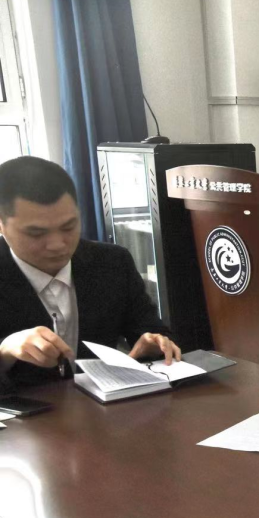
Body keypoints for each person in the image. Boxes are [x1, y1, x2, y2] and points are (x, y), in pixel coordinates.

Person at [0, 156, 180, 392]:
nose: (57, 244)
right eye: (36, 233)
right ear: (2, 225)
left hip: (105, 406)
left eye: (68, 227)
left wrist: (155, 343)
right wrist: (6, 350)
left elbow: (152, 331)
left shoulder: (112, 262)